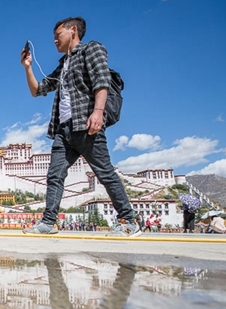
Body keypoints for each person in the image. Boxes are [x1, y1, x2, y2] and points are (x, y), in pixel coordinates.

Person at [20, 16, 140, 237]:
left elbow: (102, 80)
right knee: (54, 175)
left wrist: (98, 112)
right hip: (63, 130)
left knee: (104, 172)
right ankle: (49, 222)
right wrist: (27, 67)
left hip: (85, 125)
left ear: (73, 30)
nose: (54, 40)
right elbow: (38, 90)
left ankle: (129, 221)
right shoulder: (63, 65)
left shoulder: (91, 49)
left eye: (58, 35)